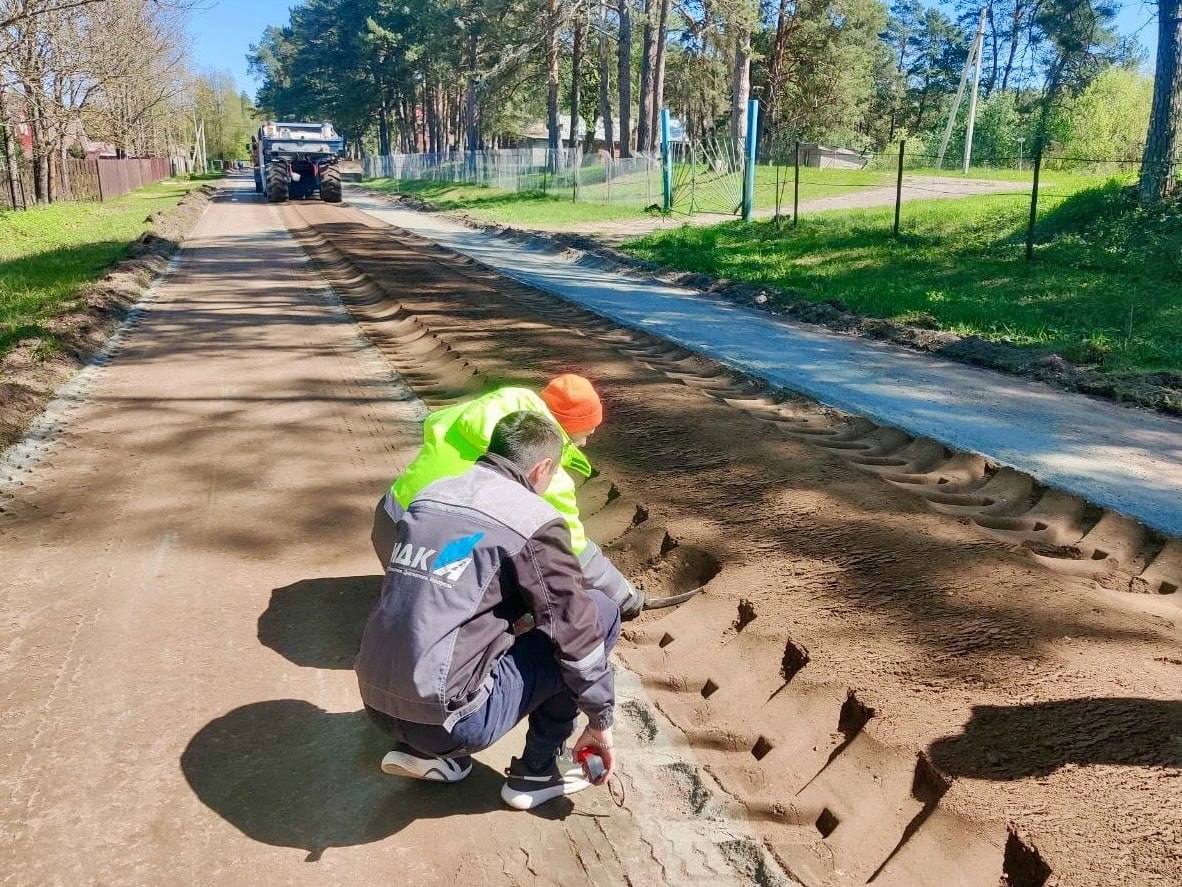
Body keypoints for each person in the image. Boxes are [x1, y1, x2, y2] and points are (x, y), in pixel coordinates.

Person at [356, 411, 620, 810]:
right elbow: (575, 624)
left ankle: (429, 754)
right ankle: (537, 771)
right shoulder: (531, 519)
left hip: (375, 699)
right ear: (541, 468)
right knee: (600, 611)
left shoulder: (432, 495)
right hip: (450, 720)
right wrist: (601, 720)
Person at [371, 373, 643, 617]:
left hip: (388, 524)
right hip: (435, 563)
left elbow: (433, 421)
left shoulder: (482, 410)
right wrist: (625, 596)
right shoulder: (547, 473)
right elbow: (574, 549)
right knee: (523, 599)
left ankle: (406, 588)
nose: (585, 443)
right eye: (584, 435)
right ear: (568, 429)